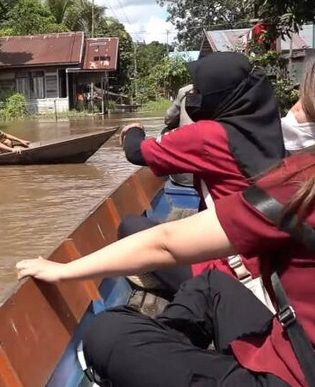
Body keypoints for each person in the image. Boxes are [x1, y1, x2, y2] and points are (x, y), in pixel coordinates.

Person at [16, 32, 315, 387]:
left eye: (308, 102)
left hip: (297, 369)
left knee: (107, 332)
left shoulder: (309, 180)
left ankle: (167, 352)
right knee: (210, 287)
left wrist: (64, 270)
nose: (295, 109)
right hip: (294, 327)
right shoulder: (290, 141)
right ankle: (177, 349)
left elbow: (162, 234)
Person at [117, 52, 286, 293]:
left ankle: (189, 292)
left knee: (130, 227)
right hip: (266, 254)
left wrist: (133, 129)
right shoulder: (266, 122)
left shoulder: (209, 136)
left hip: (237, 272)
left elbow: (135, 152)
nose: (194, 96)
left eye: (199, 90)